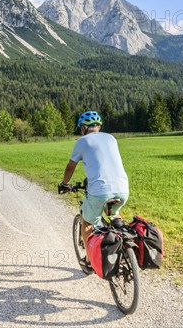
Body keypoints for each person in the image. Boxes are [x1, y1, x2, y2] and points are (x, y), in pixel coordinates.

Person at [59, 111, 129, 273]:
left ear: (83, 128)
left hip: (99, 190)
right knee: (112, 212)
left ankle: (89, 261)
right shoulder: (111, 138)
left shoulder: (82, 141)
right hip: (122, 188)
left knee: (87, 222)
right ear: (99, 126)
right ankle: (124, 247)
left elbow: (70, 167)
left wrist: (64, 184)